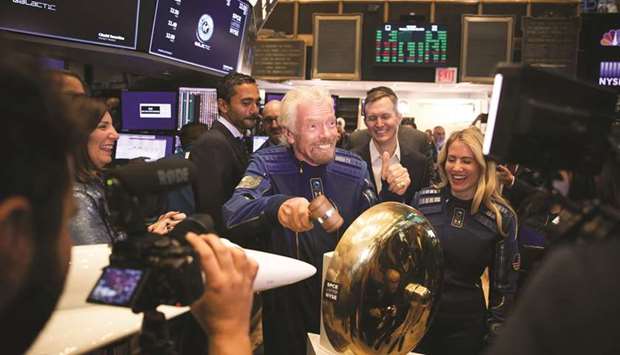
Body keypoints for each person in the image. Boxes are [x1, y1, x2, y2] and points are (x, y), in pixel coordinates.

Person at [0, 49, 256, 355]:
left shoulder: (95, 186)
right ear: (13, 232)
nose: (115, 135)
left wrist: (147, 234)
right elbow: (102, 281)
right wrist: (228, 333)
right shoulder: (82, 195)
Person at [222, 86, 378, 355]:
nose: (328, 134)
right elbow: (233, 212)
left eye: (330, 123)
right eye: (314, 126)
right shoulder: (267, 165)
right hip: (286, 307)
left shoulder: (354, 168)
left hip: (342, 306)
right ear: (289, 134)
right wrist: (277, 207)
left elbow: (375, 231)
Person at [410, 127, 519, 355]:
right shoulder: (423, 202)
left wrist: (495, 341)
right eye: (452, 159)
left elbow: (503, 291)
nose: (457, 168)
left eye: (466, 161)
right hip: (417, 322)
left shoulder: (500, 218)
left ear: (481, 165)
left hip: (465, 328)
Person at [68, 96, 185, 244]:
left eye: (112, 126)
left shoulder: (96, 183)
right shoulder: (77, 198)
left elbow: (113, 242)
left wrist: (151, 232)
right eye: (103, 127)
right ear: (77, 135)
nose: (115, 135)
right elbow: (100, 262)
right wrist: (149, 242)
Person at [190, 72, 260, 235]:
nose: (254, 110)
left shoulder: (235, 139)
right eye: (246, 103)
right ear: (223, 105)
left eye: (257, 103)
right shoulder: (212, 143)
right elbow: (212, 211)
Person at [352, 86, 431, 203]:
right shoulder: (352, 161)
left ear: (399, 118)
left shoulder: (419, 163)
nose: (379, 124)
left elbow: (421, 211)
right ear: (365, 122)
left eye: (385, 116)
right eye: (372, 118)